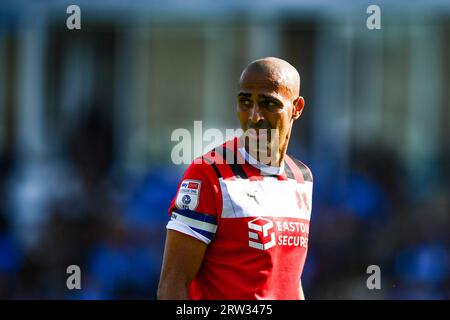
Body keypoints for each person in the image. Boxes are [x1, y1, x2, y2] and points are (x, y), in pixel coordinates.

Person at [158, 57, 313, 300]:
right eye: (245, 101)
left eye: (268, 103)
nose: (254, 116)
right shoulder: (208, 174)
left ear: (297, 108)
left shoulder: (302, 178)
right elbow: (172, 285)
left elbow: (289, 280)